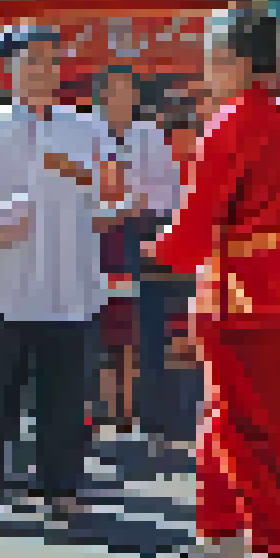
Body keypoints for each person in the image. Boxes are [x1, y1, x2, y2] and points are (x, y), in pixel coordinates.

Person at [151, 10, 280, 558]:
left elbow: (194, 225)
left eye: (213, 56)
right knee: (228, 410)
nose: (206, 69)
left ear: (239, 63)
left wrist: (159, 250)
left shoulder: (234, 121)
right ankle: (218, 529)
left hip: (244, 292)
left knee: (254, 429)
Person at [0, 25, 123, 522]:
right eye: (31, 62)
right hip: (5, 285)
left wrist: (89, 184)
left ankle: (62, 487)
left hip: (70, 284)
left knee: (65, 397)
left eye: (49, 62)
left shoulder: (87, 129)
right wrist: (10, 213)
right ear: (12, 69)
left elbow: (115, 197)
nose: (40, 72)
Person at [92, 66, 187, 450]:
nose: (121, 99)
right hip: (96, 245)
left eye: (127, 92)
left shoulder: (150, 137)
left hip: (139, 243)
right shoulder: (86, 136)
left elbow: (168, 196)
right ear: (101, 97)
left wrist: (127, 204)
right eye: (113, 92)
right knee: (96, 333)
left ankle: (155, 425)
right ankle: (94, 417)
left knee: (147, 331)